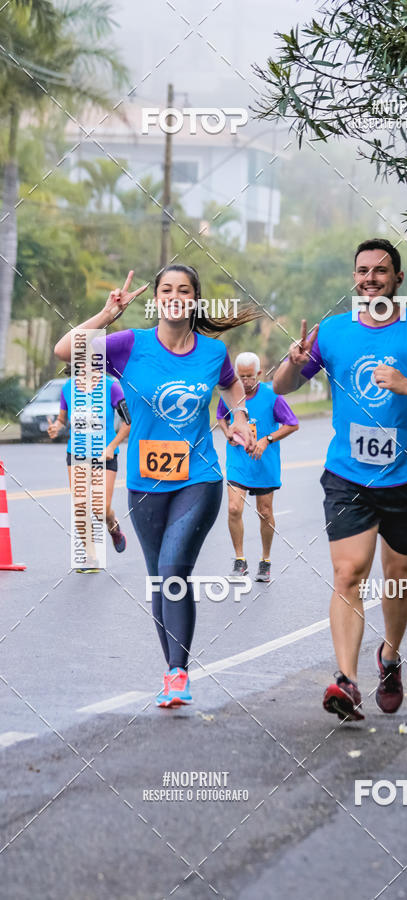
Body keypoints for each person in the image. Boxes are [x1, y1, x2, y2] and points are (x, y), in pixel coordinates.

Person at [273, 238, 407, 721]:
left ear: (398, 279)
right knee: (348, 572)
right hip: (348, 474)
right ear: (355, 277)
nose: (370, 279)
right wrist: (295, 360)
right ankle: (346, 680)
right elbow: (281, 388)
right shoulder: (334, 332)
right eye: (362, 270)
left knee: (399, 575)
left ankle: (389, 657)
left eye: (380, 271)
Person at [55, 266, 258, 706]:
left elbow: (231, 390)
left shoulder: (213, 352)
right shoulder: (130, 345)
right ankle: (173, 671)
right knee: (157, 581)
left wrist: (239, 421)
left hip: (199, 479)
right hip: (145, 482)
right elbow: (64, 351)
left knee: (173, 571)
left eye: (183, 290)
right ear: (158, 299)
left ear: (194, 299)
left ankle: (177, 672)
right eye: (167, 289)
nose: (174, 296)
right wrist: (108, 315)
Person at [216, 351, 299, 582]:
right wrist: (227, 432)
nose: (245, 381)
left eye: (249, 376)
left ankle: (265, 560)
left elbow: (292, 424)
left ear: (259, 374)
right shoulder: (230, 395)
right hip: (238, 462)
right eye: (241, 376)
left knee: (265, 512)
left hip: (263, 463)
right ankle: (240, 560)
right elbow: (221, 417)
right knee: (234, 508)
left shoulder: (272, 395)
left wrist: (267, 440)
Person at [47, 364, 130, 572]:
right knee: (81, 506)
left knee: (100, 509)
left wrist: (112, 446)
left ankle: (114, 528)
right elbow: (62, 419)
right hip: (76, 454)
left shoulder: (112, 387)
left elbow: (128, 421)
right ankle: (91, 557)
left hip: (105, 455)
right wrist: (56, 426)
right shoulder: (68, 387)